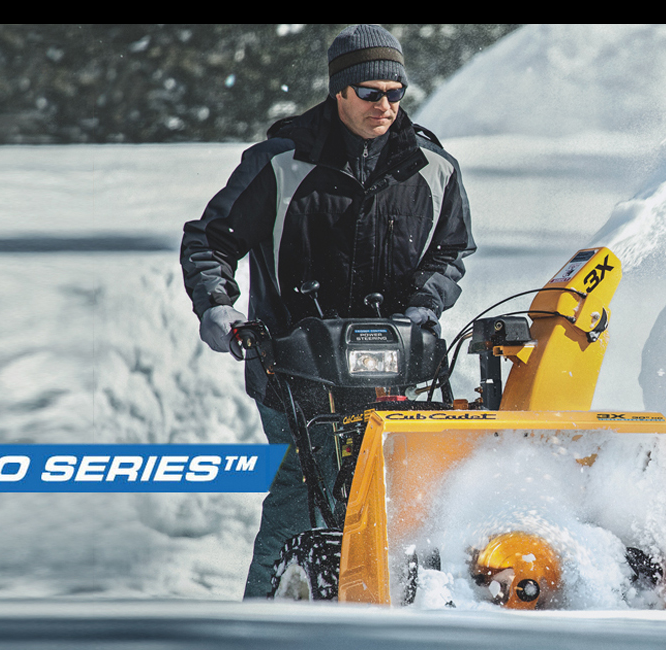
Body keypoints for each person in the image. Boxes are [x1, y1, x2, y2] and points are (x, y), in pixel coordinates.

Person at [179, 24, 474, 598]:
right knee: (302, 490)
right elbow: (211, 241)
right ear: (339, 90)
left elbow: (450, 251)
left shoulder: (433, 169)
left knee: (402, 495)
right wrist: (218, 307)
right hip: (294, 366)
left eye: (396, 92)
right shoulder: (280, 162)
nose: (384, 105)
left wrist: (423, 307)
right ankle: (268, 615)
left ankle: (406, 610)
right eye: (370, 92)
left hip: (397, 369)